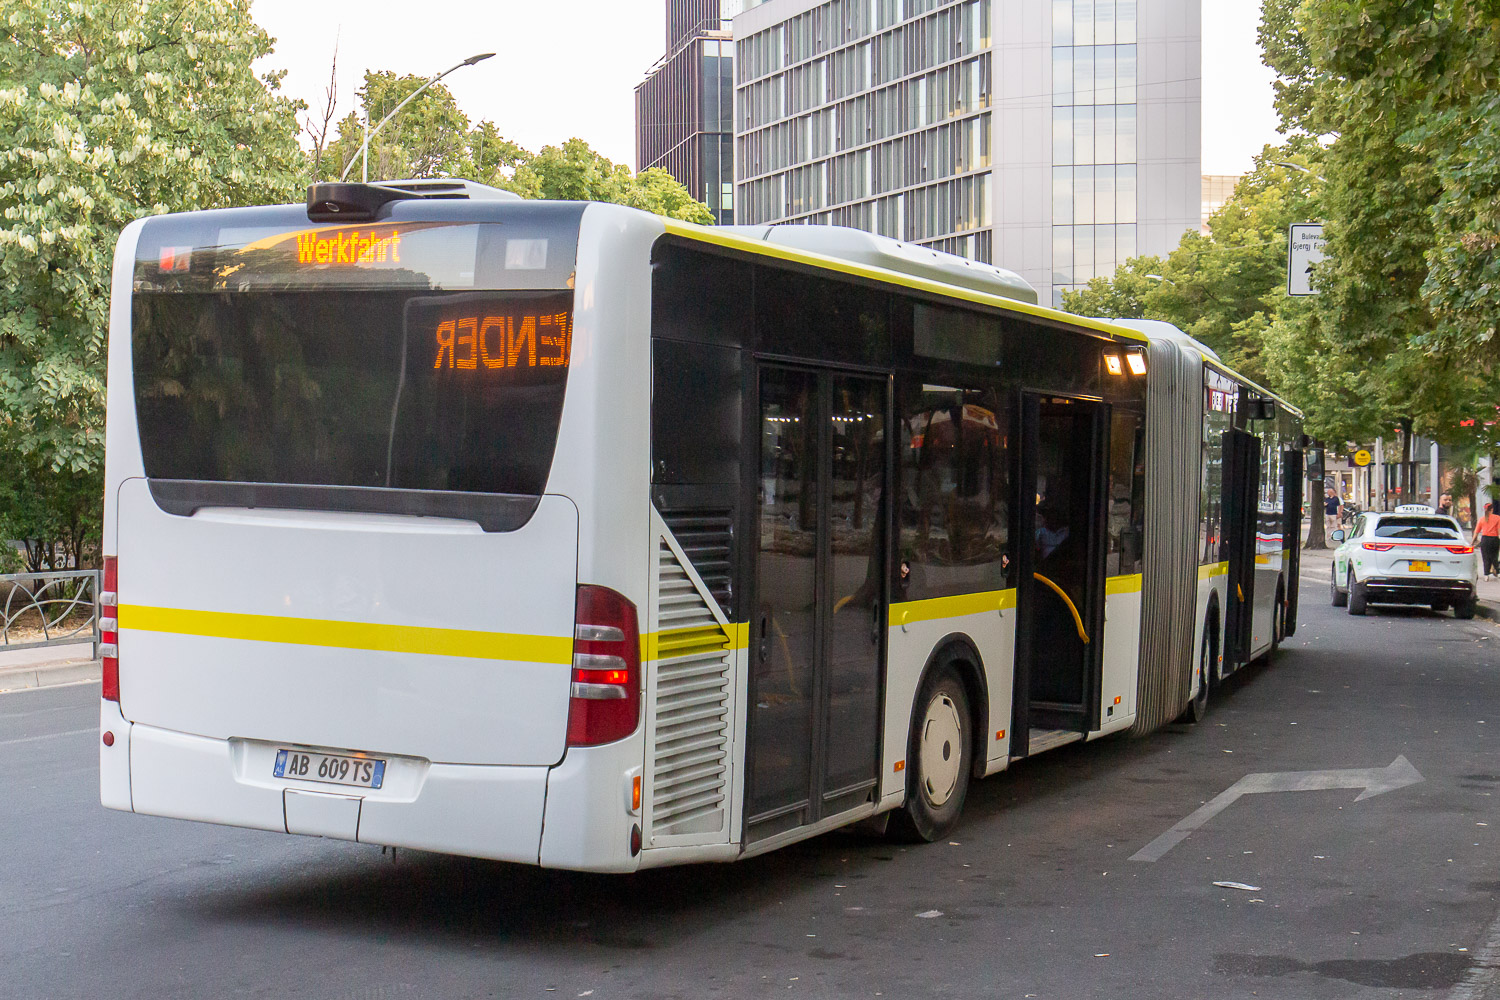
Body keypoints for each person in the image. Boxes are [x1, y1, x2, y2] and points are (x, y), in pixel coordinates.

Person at [1475, 502, 1500, 581]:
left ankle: (1486, 575)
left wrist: (1472, 542)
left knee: (1485, 557)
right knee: (1494, 556)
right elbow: (1499, 531)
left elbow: (1476, 531)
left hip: (1485, 539)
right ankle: (1498, 572)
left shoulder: (1482, 519)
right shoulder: (1497, 518)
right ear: (1492, 509)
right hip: (1494, 539)